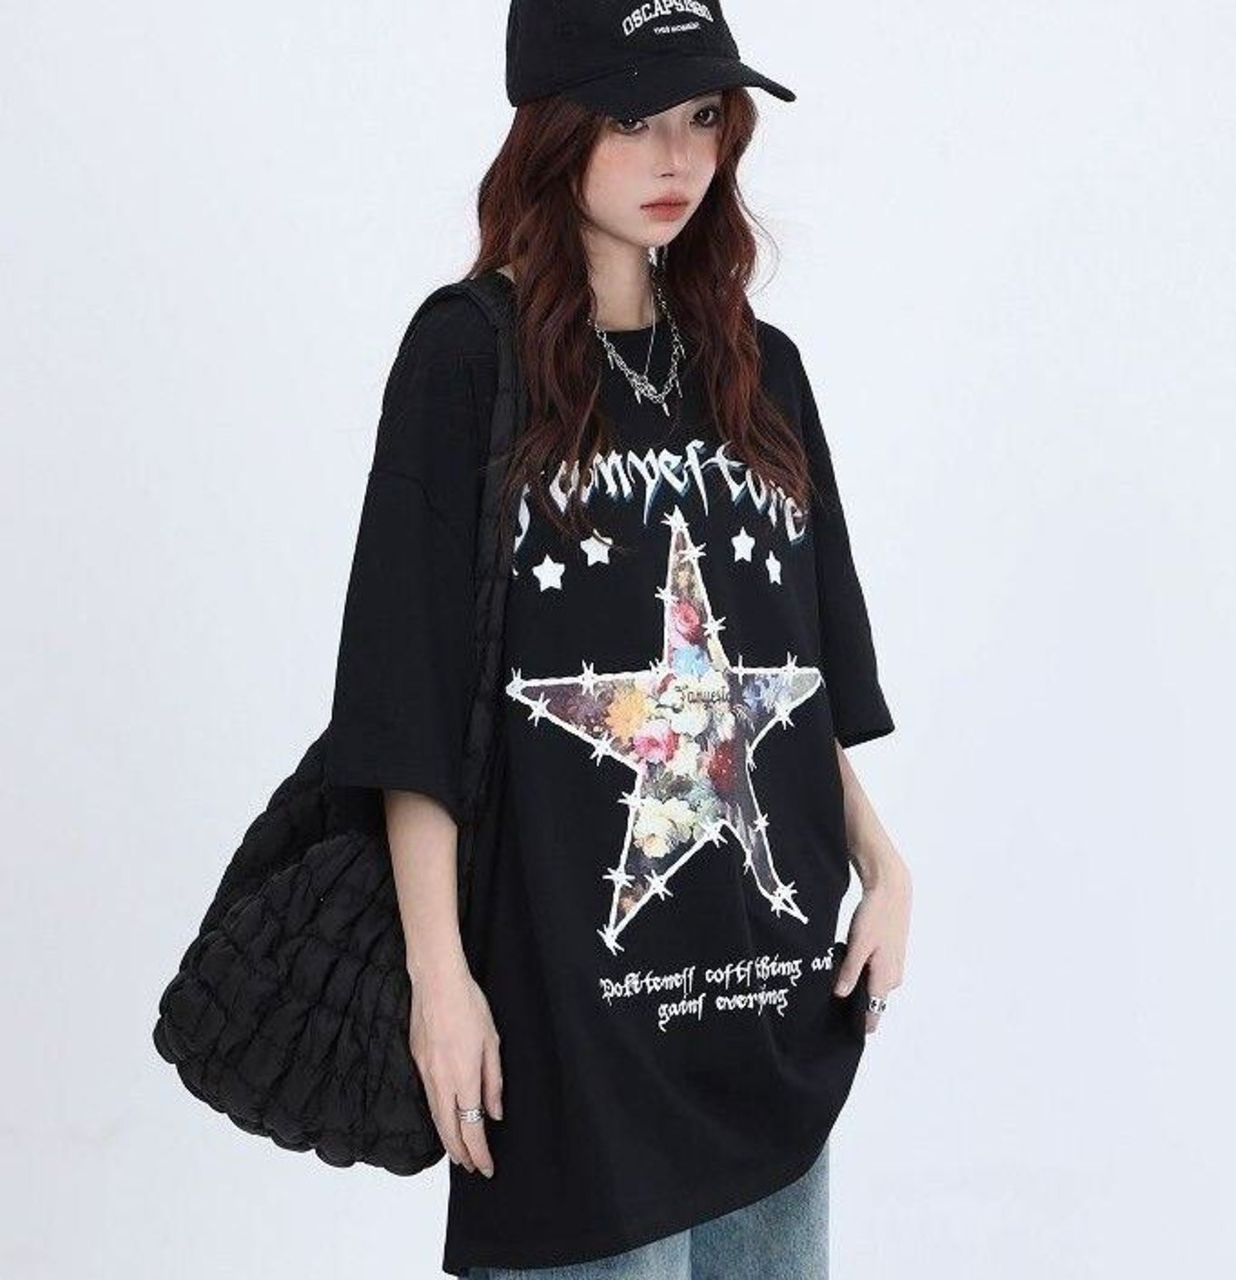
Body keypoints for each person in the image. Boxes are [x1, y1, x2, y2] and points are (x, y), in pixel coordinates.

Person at [325, 2, 913, 1276]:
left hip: (767, 1002)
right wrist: (440, 977)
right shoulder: (466, 358)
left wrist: (883, 862)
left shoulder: (763, 370)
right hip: (572, 1024)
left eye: (702, 116)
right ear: (553, 128)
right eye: (633, 120)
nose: (677, 159)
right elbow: (405, 702)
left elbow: (786, 682)